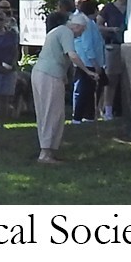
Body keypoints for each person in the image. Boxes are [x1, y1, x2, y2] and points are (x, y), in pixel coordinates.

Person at [31, 12, 88, 164]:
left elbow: (56, 55)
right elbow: (72, 55)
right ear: (77, 26)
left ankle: (48, 150)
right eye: (81, 30)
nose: (80, 35)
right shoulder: (66, 32)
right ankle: (46, 154)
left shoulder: (57, 31)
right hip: (49, 75)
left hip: (42, 73)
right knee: (53, 113)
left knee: (46, 112)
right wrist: (88, 71)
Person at [71, 0, 108, 123]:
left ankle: (89, 115)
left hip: (90, 60)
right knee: (84, 90)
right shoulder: (86, 23)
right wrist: (95, 63)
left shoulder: (90, 22)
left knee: (91, 89)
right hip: (87, 62)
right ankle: (77, 117)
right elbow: (88, 45)